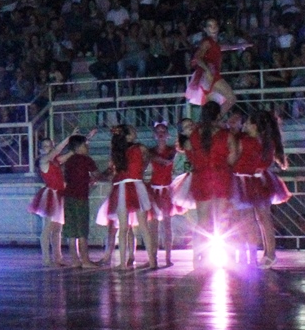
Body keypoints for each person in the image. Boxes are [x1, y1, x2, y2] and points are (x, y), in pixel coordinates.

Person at [232, 111, 291, 268]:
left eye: (248, 123)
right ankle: (269, 254)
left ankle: (249, 254)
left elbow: (234, 159)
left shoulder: (245, 140)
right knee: (264, 219)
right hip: (260, 180)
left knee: (247, 219)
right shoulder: (268, 142)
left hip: (245, 180)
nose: (244, 125)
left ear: (255, 126)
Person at [181, 101, 233, 267]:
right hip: (221, 176)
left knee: (202, 220)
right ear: (218, 115)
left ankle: (198, 257)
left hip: (202, 177)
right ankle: (224, 257)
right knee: (221, 218)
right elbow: (232, 157)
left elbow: (189, 152)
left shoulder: (195, 134)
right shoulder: (226, 134)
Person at [96, 125, 155, 269]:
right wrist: (139, 171)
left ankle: (123, 264)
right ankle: (152, 261)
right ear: (128, 136)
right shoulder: (140, 148)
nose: (135, 132)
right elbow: (146, 160)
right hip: (135, 185)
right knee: (143, 226)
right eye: (132, 131)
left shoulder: (117, 152)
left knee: (123, 227)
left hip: (122, 186)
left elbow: (112, 171)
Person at [185, 17, 248, 113]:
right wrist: (207, 70)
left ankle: (212, 122)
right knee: (230, 98)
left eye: (215, 26)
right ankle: (215, 120)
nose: (213, 28)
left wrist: (240, 45)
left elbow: (225, 47)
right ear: (206, 29)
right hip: (209, 75)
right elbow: (197, 57)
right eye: (210, 26)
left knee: (211, 104)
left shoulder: (214, 43)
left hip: (210, 75)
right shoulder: (207, 42)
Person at [28, 133, 70, 266]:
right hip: (50, 195)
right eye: (45, 146)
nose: (49, 148)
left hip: (58, 194)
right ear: (41, 149)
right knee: (48, 227)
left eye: (50, 146)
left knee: (58, 229)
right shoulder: (43, 161)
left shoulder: (56, 161)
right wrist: (68, 139)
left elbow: (72, 153)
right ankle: (46, 259)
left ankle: (58, 257)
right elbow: (58, 151)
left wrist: (85, 139)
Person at [59, 134, 99, 268]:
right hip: (81, 198)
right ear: (79, 147)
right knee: (82, 230)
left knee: (71, 231)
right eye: (85, 145)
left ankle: (75, 260)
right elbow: (96, 174)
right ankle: (85, 261)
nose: (87, 147)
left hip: (68, 197)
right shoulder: (86, 160)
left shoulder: (68, 160)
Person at [145, 121, 180, 268]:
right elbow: (151, 160)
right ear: (154, 135)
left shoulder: (172, 150)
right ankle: (152, 257)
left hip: (166, 189)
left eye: (163, 131)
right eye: (158, 131)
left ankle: (167, 257)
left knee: (167, 224)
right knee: (153, 226)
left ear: (167, 134)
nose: (160, 134)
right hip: (153, 189)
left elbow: (168, 160)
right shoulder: (151, 151)